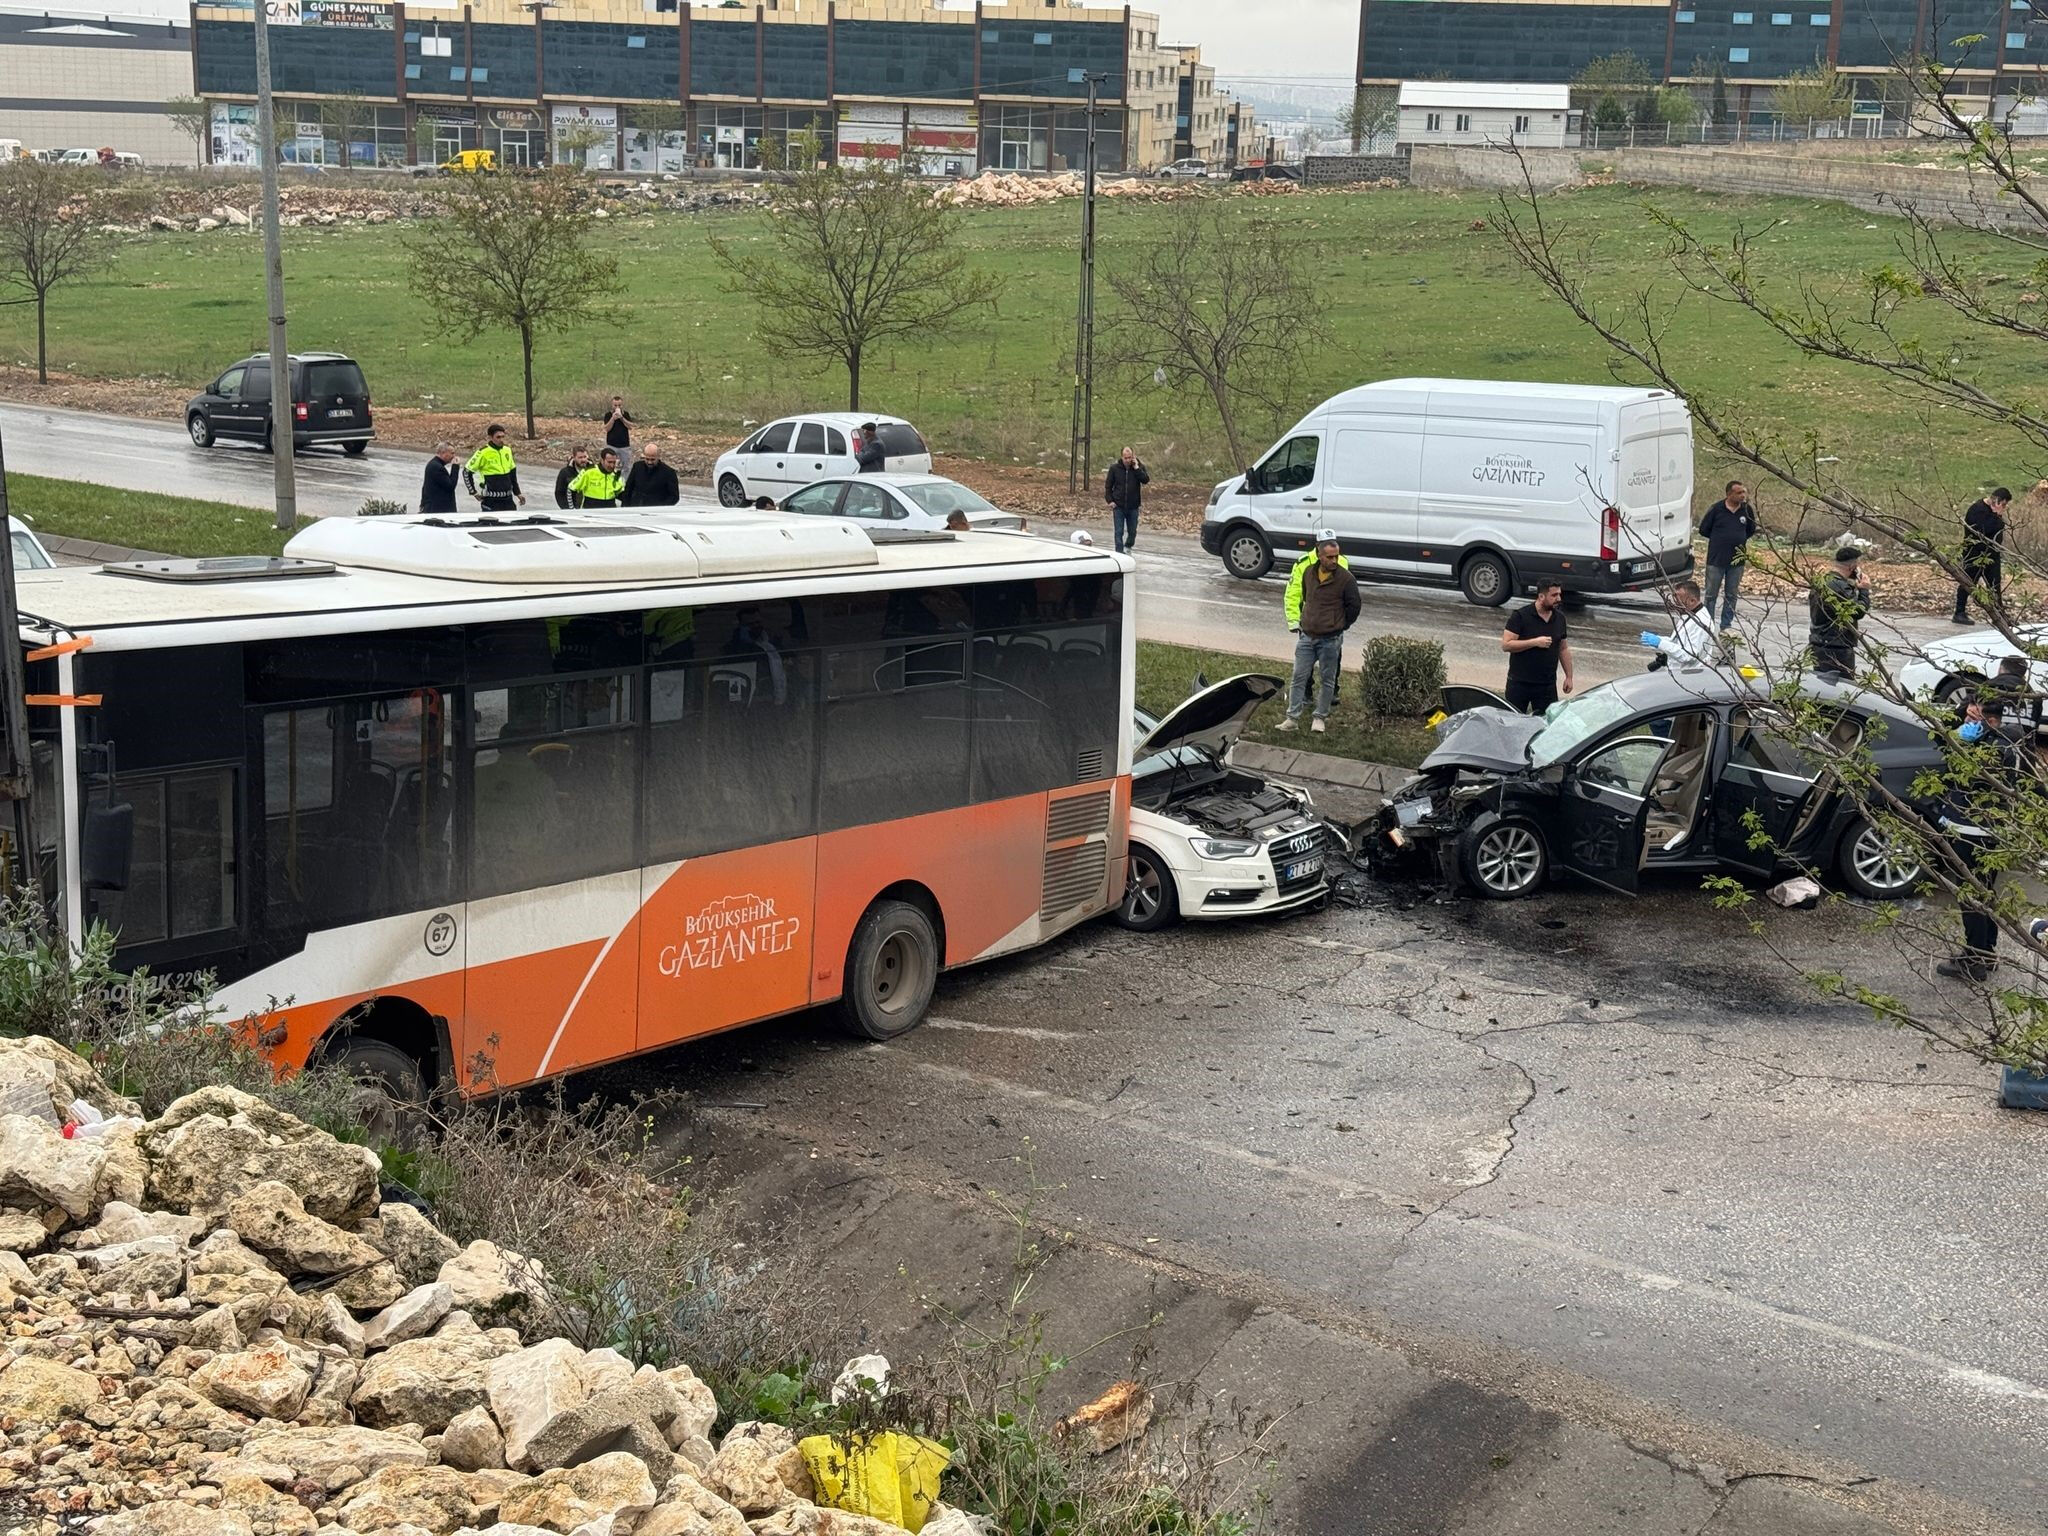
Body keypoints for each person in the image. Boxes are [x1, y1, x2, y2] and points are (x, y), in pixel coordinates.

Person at [1935, 696, 2025, 982]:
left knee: (1971, 893)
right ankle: (1986, 952)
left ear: (1992, 721)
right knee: (1984, 891)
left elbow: (1967, 777)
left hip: (1974, 831)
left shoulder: (1992, 747)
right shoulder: (2006, 739)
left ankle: (1974, 960)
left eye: (1973, 720)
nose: (1966, 724)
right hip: (1991, 831)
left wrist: (1962, 743)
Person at [1278, 530, 1361, 734]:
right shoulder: (1306, 571)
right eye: (1330, 557)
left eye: (1336, 556)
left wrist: (1340, 625)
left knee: (1328, 679)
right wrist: (1297, 621)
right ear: (1319, 554)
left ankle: (1319, 717)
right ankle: (1292, 718)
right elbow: (1301, 595)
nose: (1334, 560)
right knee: (1298, 677)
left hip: (1330, 639)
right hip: (1307, 636)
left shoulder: (1346, 578)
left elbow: (1354, 606)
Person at [1500, 581, 1574, 714]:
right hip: (1519, 683)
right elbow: (1506, 645)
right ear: (1541, 597)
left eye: (1559, 594)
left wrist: (1569, 676)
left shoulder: (1560, 619)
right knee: (1512, 722)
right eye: (1554, 595)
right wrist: (1534, 642)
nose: (1559, 599)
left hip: (1546, 685)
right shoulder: (1520, 616)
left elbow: (1563, 648)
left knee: (1546, 725)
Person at [1698, 481, 1757, 632]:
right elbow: (1704, 530)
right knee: (1711, 594)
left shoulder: (1746, 510)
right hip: (1716, 560)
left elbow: (1751, 530)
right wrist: (1720, 538)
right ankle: (1708, 623)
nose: (1743, 496)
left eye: (1744, 492)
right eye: (1739, 493)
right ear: (1729, 494)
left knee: (1731, 594)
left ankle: (1726, 624)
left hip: (1737, 561)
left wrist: (1738, 538)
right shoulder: (1716, 509)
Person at [1808, 546, 1871, 680]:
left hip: (1818, 644)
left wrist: (1854, 587)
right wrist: (1864, 591)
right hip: (1836, 647)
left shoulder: (1821, 581)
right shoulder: (1839, 585)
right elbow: (1858, 611)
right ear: (1853, 566)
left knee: (1823, 687)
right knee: (1842, 688)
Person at [1954, 487, 2011, 624]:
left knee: (1994, 584)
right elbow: (1983, 530)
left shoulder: (1994, 513)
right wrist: (1997, 516)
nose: (2004, 508)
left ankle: (1998, 615)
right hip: (1975, 553)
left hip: (1991, 555)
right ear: (1997, 501)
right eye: (2003, 504)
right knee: (1968, 581)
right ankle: (1959, 612)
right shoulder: (1977, 509)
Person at [1639, 580, 1718, 668]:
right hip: (1679, 672)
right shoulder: (1688, 614)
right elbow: (1679, 642)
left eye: (1678, 602)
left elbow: (1689, 655)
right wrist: (1659, 640)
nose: (1675, 605)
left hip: (1689, 675)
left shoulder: (1701, 623)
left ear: (1692, 601)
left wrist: (1660, 643)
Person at [464, 425, 524, 512]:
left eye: (503, 436)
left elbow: (512, 474)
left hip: (508, 499)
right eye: (498, 437)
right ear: (490, 437)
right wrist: (473, 492)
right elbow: (466, 472)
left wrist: (518, 493)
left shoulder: (507, 450)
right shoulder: (483, 452)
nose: (501, 440)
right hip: (491, 500)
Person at [1103, 446, 1149, 555]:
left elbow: (1145, 480)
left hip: (1133, 506)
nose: (1128, 460)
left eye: (1130, 457)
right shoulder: (1114, 469)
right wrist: (1110, 500)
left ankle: (1128, 545)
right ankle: (1119, 552)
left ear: (1133, 457)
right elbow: (1108, 486)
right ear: (1121, 457)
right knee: (1118, 532)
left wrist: (1137, 468)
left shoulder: (1139, 467)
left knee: (1132, 531)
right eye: (1125, 458)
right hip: (1118, 506)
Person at [623, 442, 680, 507]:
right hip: (636, 507)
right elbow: (628, 488)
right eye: (647, 459)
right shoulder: (637, 467)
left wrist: (660, 507)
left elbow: (674, 497)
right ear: (644, 456)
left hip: (656, 511)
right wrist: (625, 507)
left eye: (652, 459)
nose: (649, 462)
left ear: (658, 456)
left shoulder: (669, 472)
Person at [419, 443, 460, 514]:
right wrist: (455, 467)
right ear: (443, 453)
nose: (454, 456)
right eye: (452, 453)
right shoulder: (437, 467)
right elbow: (450, 486)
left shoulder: (434, 464)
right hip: (438, 510)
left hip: (435, 509)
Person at [553, 446, 592, 511]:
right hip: (572, 509)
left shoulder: (593, 470)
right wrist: (567, 509)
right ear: (574, 458)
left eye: (585, 457)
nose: (583, 460)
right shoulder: (565, 472)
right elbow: (560, 493)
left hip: (590, 509)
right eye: (580, 457)